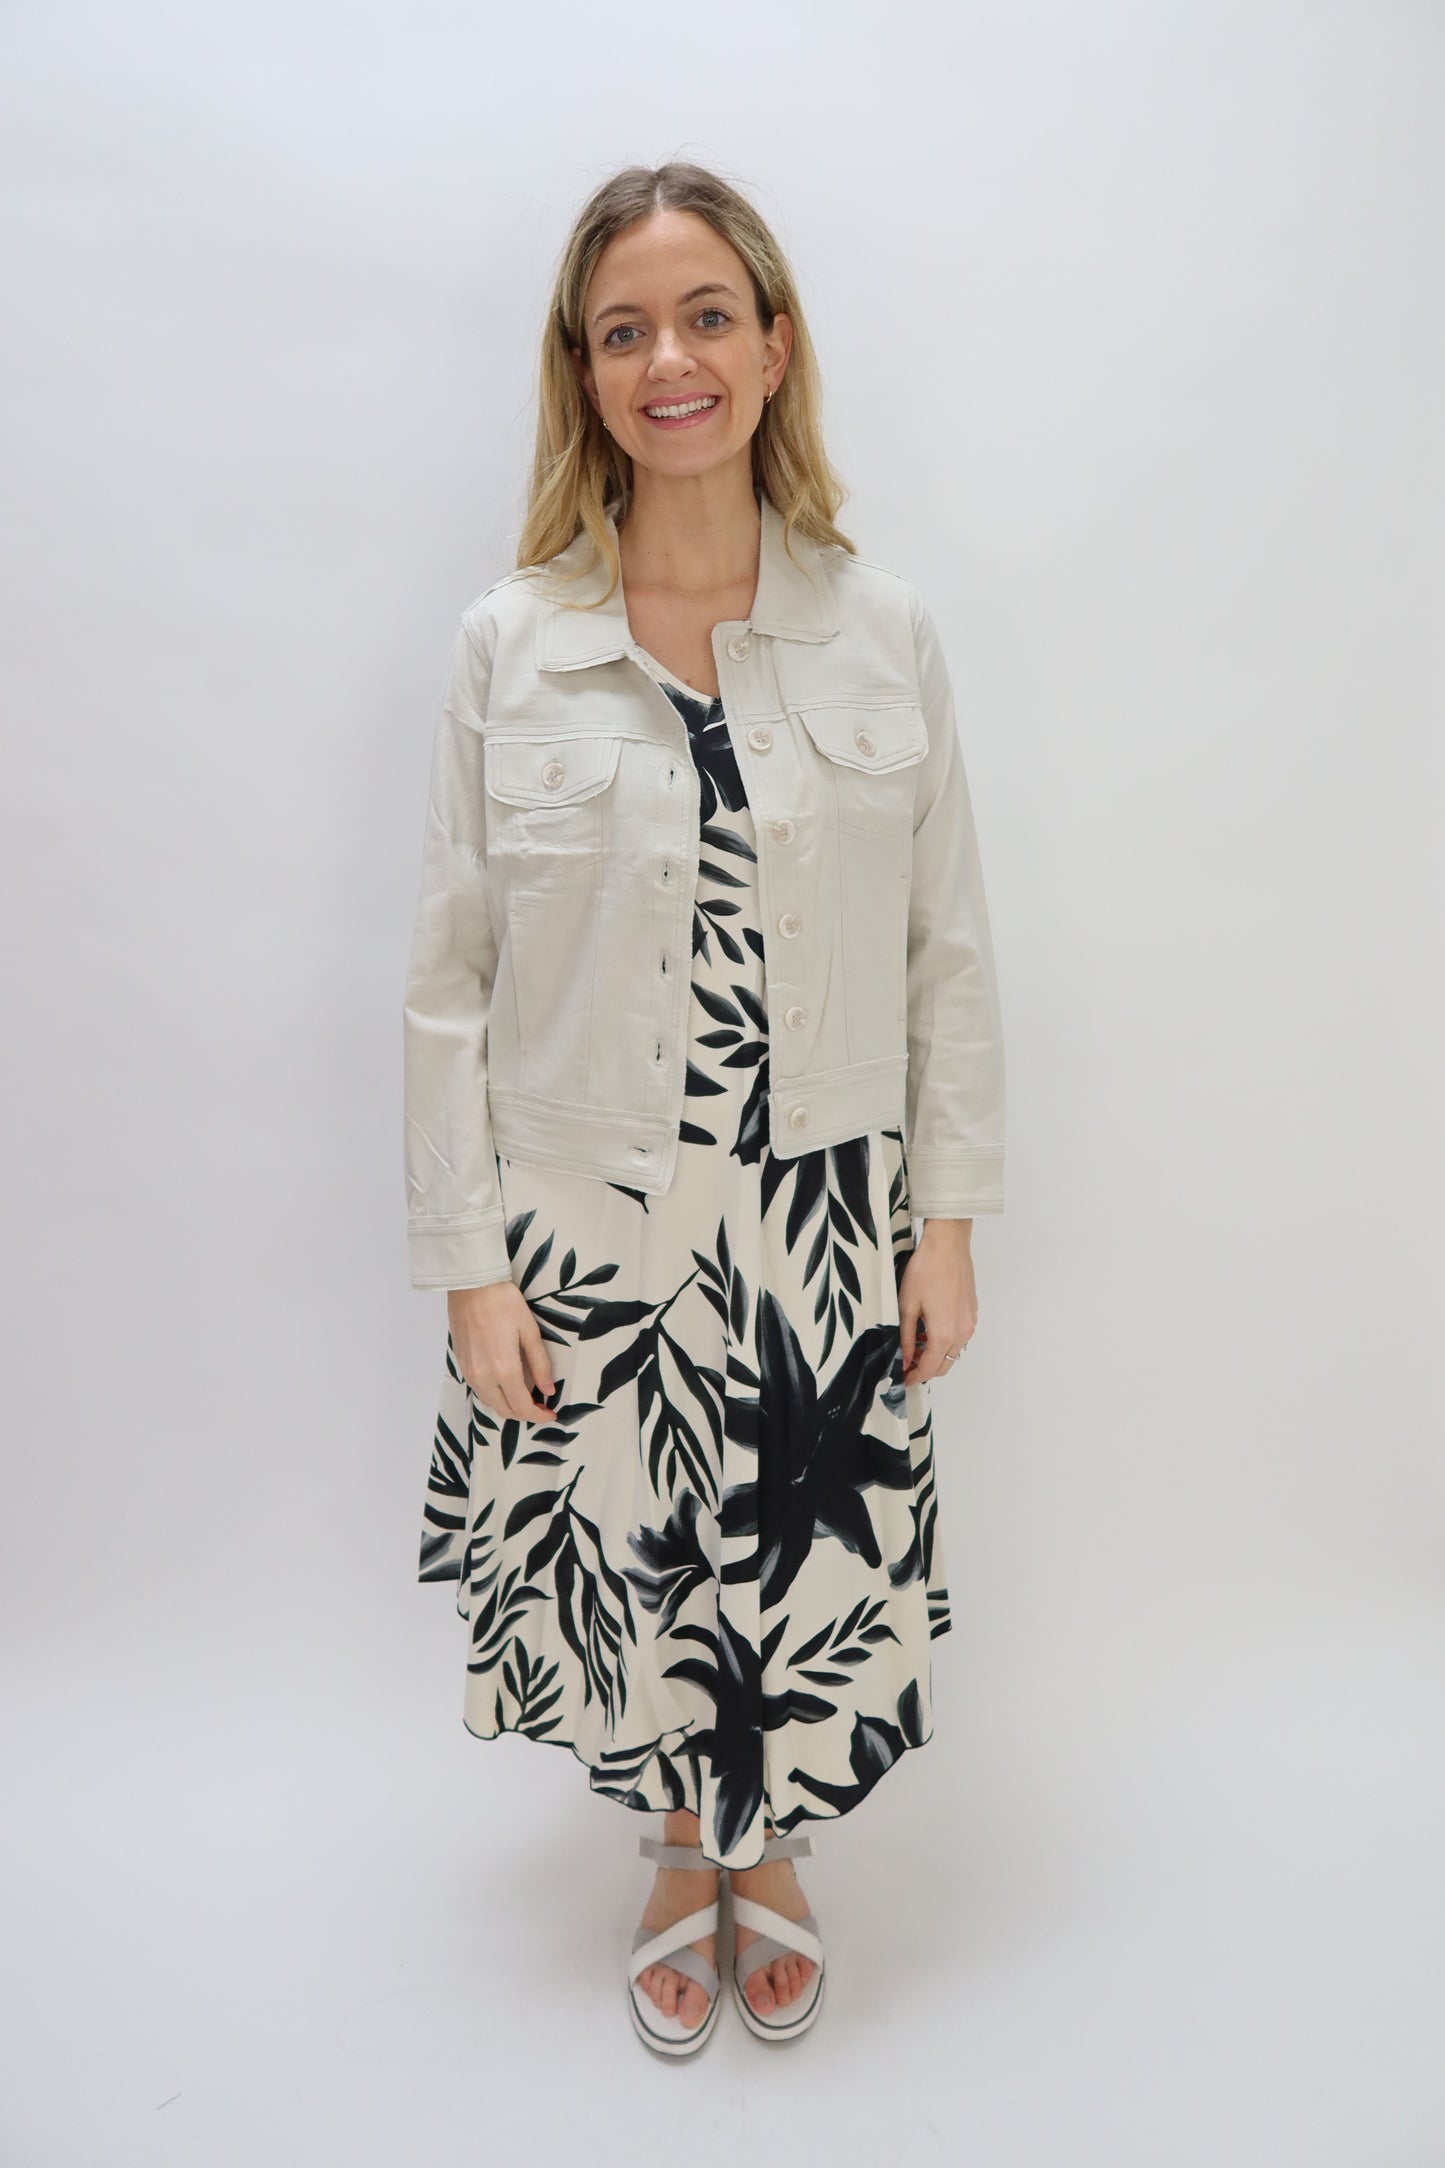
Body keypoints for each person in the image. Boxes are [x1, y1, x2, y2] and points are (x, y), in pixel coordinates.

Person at [402, 160, 1006, 2056]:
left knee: (801, 1552)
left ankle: (777, 1833)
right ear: (583, 372)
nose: (668, 359)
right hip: (589, 1209)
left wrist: (944, 1222)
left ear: (772, 346)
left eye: (704, 317)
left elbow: (947, 953)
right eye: (623, 330)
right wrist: (469, 1265)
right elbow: (448, 983)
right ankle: (680, 1840)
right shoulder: (511, 644)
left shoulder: (882, 629)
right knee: (644, 1545)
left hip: (822, 1202)